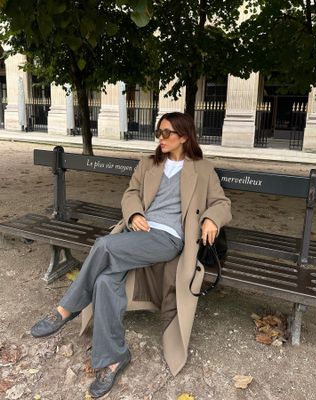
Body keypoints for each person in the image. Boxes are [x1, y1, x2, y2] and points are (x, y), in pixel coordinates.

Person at [31, 112, 232, 398]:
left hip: (168, 239)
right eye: (158, 132)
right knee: (104, 283)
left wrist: (212, 218)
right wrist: (135, 212)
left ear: (184, 136)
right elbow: (130, 193)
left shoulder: (203, 169)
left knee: (102, 246)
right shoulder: (148, 164)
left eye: (167, 133)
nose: (160, 139)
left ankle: (66, 309)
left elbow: (222, 203)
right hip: (137, 234)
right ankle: (114, 358)